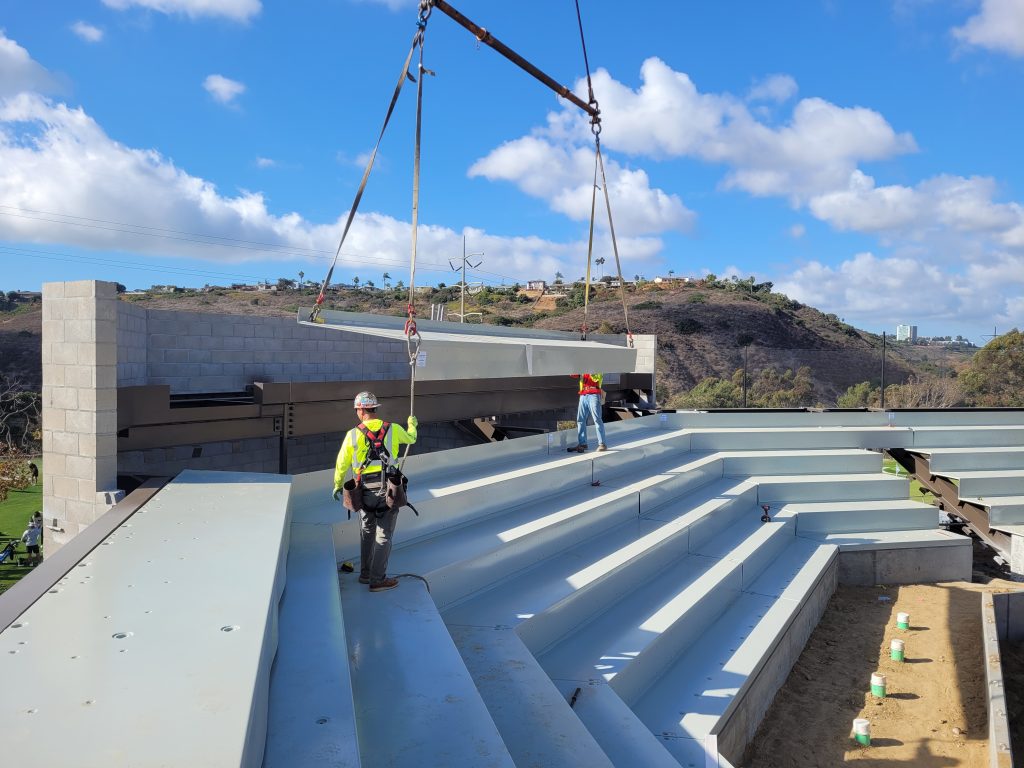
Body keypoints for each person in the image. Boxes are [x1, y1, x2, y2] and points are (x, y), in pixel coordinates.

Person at [333, 391, 418, 593]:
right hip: (389, 490)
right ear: (374, 409)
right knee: (384, 535)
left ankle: (365, 574)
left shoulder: (352, 434)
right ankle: (377, 579)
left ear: (361, 411)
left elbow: (342, 463)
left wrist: (337, 484)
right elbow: (411, 439)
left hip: (362, 492)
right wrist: (412, 424)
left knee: (367, 531)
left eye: (357, 410)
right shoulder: (394, 429)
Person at [567, 372, 607, 453]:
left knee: (597, 419)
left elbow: (596, 377)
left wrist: (587, 369)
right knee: (580, 420)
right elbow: (574, 374)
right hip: (583, 394)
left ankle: (602, 444)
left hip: (594, 394)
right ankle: (582, 444)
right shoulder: (582, 366)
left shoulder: (598, 366)